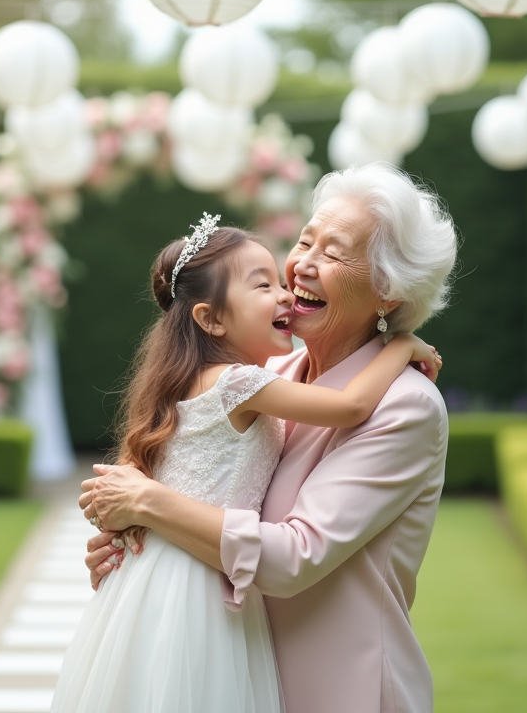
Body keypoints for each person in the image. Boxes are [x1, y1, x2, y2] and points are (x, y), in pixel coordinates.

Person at [80, 164, 458, 713]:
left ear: (388, 294)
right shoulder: (272, 376)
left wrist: (152, 504)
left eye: (333, 252)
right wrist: (133, 545)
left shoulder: (406, 407)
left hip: (338, 689)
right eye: (306, 239)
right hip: (230, 673)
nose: (303, 263)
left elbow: (294, 558)